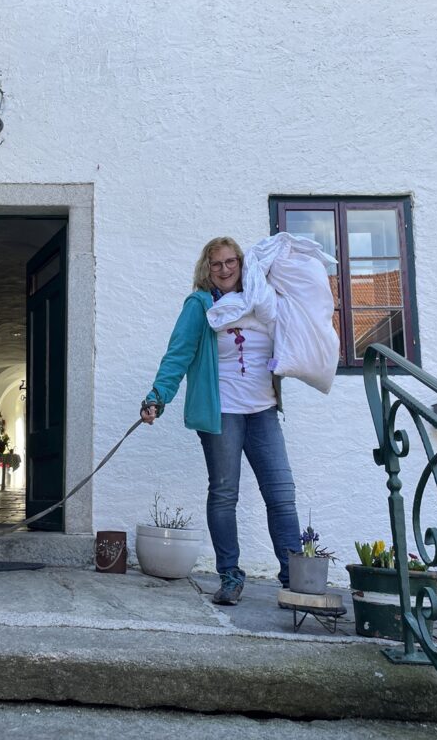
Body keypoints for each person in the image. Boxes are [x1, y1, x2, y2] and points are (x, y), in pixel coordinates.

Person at [140, 236, 301, 605]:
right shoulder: (200, 305)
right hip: (222, 412)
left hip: (263, 410)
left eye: (231, 262)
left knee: (281, 494)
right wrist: (157, 398)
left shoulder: (260, 299)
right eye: (217, 264)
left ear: (242, 265)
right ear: (207, 269)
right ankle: (230, 576)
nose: (225, 269)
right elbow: (178, 354)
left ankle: (294, 580)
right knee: (225, 493)